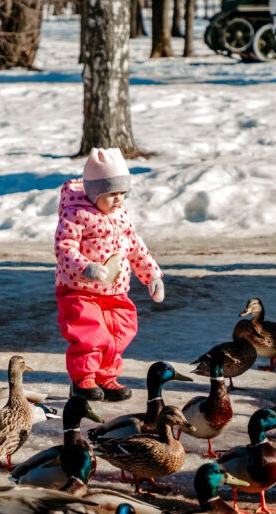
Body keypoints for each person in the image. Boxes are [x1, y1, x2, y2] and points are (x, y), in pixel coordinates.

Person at [53, 147, 164, 402]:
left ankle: (106, 376)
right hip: (80, 290)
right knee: (90, 334)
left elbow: (135, 247)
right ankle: (83, 379)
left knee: (119, 332)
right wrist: (86, 267)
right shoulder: (75, 214)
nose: (118, 200)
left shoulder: (121, 215)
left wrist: (152, 276)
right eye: (111, 194)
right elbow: (64, 248)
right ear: (94, 192)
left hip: (116, 291)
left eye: (122, 193)